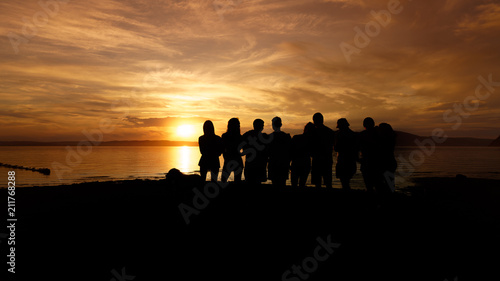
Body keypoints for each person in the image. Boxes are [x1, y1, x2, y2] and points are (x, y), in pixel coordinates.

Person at [242, 119, 270, 185]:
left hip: (252, 164)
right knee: (256, 182)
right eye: (262, 125)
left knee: (251, 182)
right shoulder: (264, 136)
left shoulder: (247, 135)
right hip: (258, 164)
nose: (263, 127)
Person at [311, 113, 335, 188]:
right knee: (328, 182)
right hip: (327, 160)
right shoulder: (330, 132)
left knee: (318, 183)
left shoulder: (312, 132)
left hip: (317, 160)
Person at [334, 118, 358, 190]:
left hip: (343, 161)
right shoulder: (352, 135)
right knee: (345, 181)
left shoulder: (339, 135)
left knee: (344, 182)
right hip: (350, 161)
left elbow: (336, 148)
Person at [268, 117, 291, 187]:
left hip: (273, 164)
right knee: (282, 183)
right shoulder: (286, 136)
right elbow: (289, 151)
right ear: (281, 125)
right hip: (283, 164)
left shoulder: (269, 137)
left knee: (275, 183)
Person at [358, 117, 380, 192]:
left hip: (367, 163)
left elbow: (355, 148)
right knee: (378, 185)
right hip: (377, 163)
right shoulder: (378, 134)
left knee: (369, 185)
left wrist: (359, 160)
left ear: (364, 125)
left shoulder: (362, 135)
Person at [290, 122, 315, 188]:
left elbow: (290, 151)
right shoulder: (311, 141)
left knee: (294, 184)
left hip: (296, 163)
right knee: (302, 183)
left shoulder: (296, 137)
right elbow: (312, 153)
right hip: (305, 164)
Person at [221, 118, 243, 183]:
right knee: (237, 181)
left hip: (229, 160)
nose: (239, 126)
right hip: (236, 160)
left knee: (224, 180)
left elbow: (222, 149)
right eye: (238, 124)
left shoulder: (225, 136)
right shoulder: (240, 137)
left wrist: (225, 156)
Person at [378, 122, 397, 193]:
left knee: (384, 183)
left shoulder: (384, 140)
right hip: (390, 162)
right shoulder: (391, 138)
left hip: (386, 163)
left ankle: (386, 199)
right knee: (389, 183)